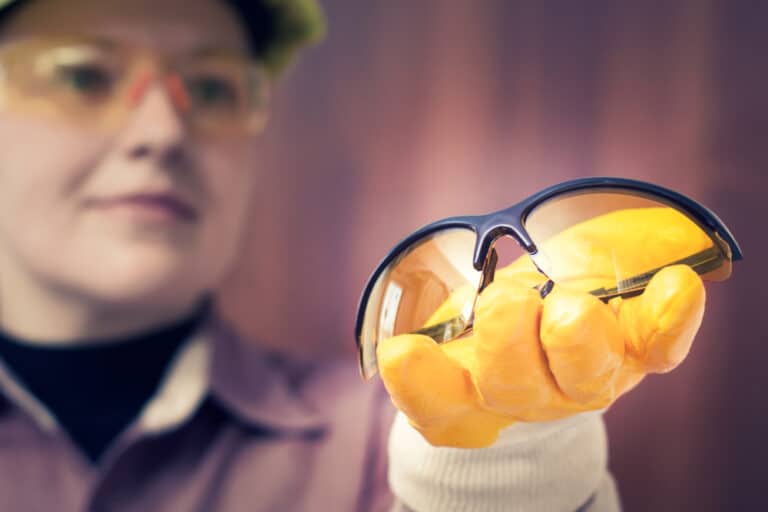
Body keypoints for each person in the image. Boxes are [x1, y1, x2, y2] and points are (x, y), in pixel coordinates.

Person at [0, 0, 717, 511]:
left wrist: (506, 478)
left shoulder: (400, 445)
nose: (162, 130)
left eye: (213, 87)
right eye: (82, 76)